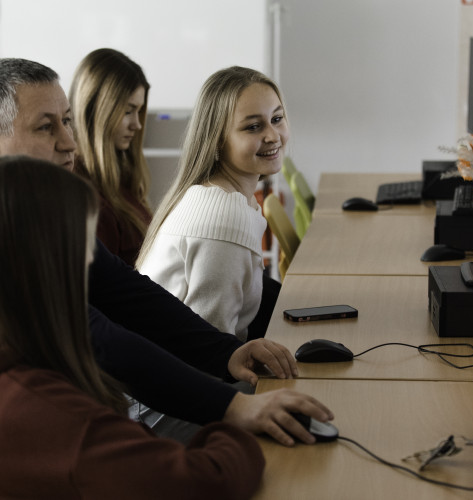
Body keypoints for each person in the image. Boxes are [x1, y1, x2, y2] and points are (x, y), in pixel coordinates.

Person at [0, 57, 334, 448]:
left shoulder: (46, 212)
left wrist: (225, 354)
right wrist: (232, 406)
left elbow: (128, 293)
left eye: (67, 122)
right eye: (46, 127)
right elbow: (96, 335)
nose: (69, 142)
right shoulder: (21, 227)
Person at [0, 156, 264, 499]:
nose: (92, 262)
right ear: (49, 264)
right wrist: (234, 428)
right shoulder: (57, 417)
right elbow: (206, 481)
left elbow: (128, 293)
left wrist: (225, 353)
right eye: (83, 249)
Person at [138, 66, 285, 341]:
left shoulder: (221, 196)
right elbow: (210, 347)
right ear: (217, 140)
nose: (273, 135)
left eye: (277, 119)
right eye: (253, 127)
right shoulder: (224, 216)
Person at [69, 48, 152, 266]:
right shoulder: (86, 197)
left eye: (139, 111)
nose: (137, 124)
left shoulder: (120, 181)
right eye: (128, 111)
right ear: (97, 109)